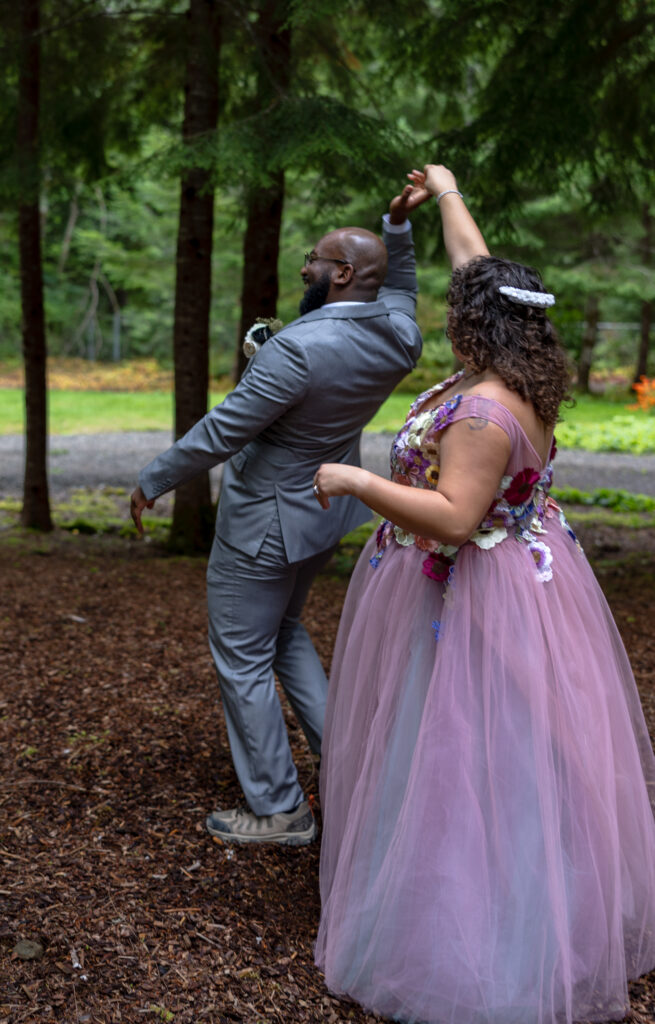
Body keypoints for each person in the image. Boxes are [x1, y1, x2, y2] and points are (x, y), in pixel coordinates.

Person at [312, 164, 655, 1023]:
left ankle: (468, 941)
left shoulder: (484, 410)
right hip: (530, 580)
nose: (449, 313)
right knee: (504, 751)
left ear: (476, 325)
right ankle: (537, 913)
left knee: (463, 752)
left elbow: (456, 517)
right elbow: (482, 268)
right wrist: (452, 192)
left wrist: (354, 480)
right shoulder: (521, 372)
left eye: (459, 308)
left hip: (473, 591)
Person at [129, 182, 430, 846]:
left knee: (241, 657)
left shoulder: (294, 350)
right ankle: (353, 767)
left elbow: (221, 433)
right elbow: (401, 286)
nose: (304, 267)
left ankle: (279, 810)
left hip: (263, 525)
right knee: (286, 633)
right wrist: (397, 228)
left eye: (316, 260)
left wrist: (152, 480)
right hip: (323, 515)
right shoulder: (399, 336)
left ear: (344, 274)